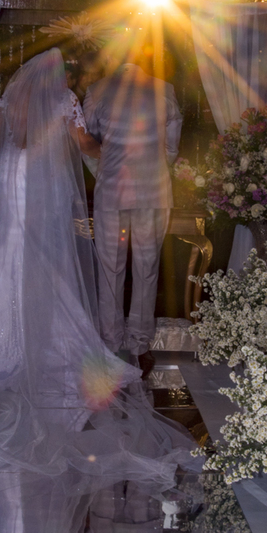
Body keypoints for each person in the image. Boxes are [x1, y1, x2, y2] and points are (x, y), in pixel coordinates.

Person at [0, 48, 191, 493]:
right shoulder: (72, 99)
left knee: (11, 251)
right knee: (95, 261)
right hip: (57, 180)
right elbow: (86, 144)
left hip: (11, 176)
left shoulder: (11, 100)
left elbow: (0, 149)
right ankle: (126, 341)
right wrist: (131, 153)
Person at [83, 37, 181, 372]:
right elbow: (171, 146)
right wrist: (158, 169)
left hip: (112, 191)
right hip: (153, 191)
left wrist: (104, 173)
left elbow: (89, 142)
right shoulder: (165, 90)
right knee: (147, 267)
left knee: (109, 268)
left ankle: (111, 343)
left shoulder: (97, 91)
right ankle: (140, 345)